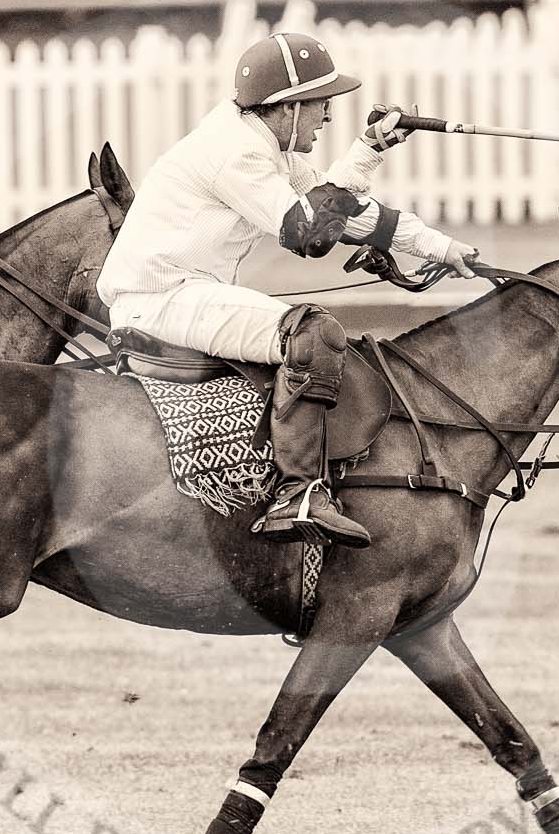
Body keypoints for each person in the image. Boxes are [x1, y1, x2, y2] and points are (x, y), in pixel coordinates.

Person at [97, 31, 479, 549]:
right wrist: (365, 154)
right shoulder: (237, 154)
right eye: (322, 104)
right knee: (315, 334)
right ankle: (297, 492)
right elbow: (309, 231)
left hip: (181, 293)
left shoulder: (262, 145)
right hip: (162, 301)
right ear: (289, 106)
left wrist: (442, 247)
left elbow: (347, 213)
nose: (327, 117)